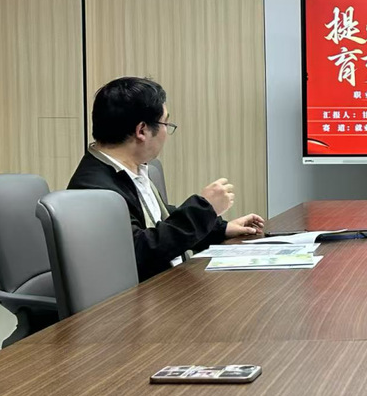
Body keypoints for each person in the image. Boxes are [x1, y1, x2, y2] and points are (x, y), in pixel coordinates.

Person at [68, 77, 264, 281]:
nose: (167, 132)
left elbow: (159, 221)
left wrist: (220, 229)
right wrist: (204, 209)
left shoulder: (133, 168)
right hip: (144, 295)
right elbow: (139, 252)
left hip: (168, 283)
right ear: (142, 130)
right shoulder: (94, 190)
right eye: (165, 123)